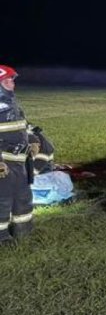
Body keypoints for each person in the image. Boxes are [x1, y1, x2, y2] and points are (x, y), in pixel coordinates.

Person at [0, 65, 33, 244]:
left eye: (12, 79)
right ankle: (2, 238)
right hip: (5, 164)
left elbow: (22, 127)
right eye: (7, 80)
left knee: (23, 197)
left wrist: (33, 139)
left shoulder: (13, 104)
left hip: (20, 163)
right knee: (2, 201)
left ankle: (24, 233)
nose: (12, 83)